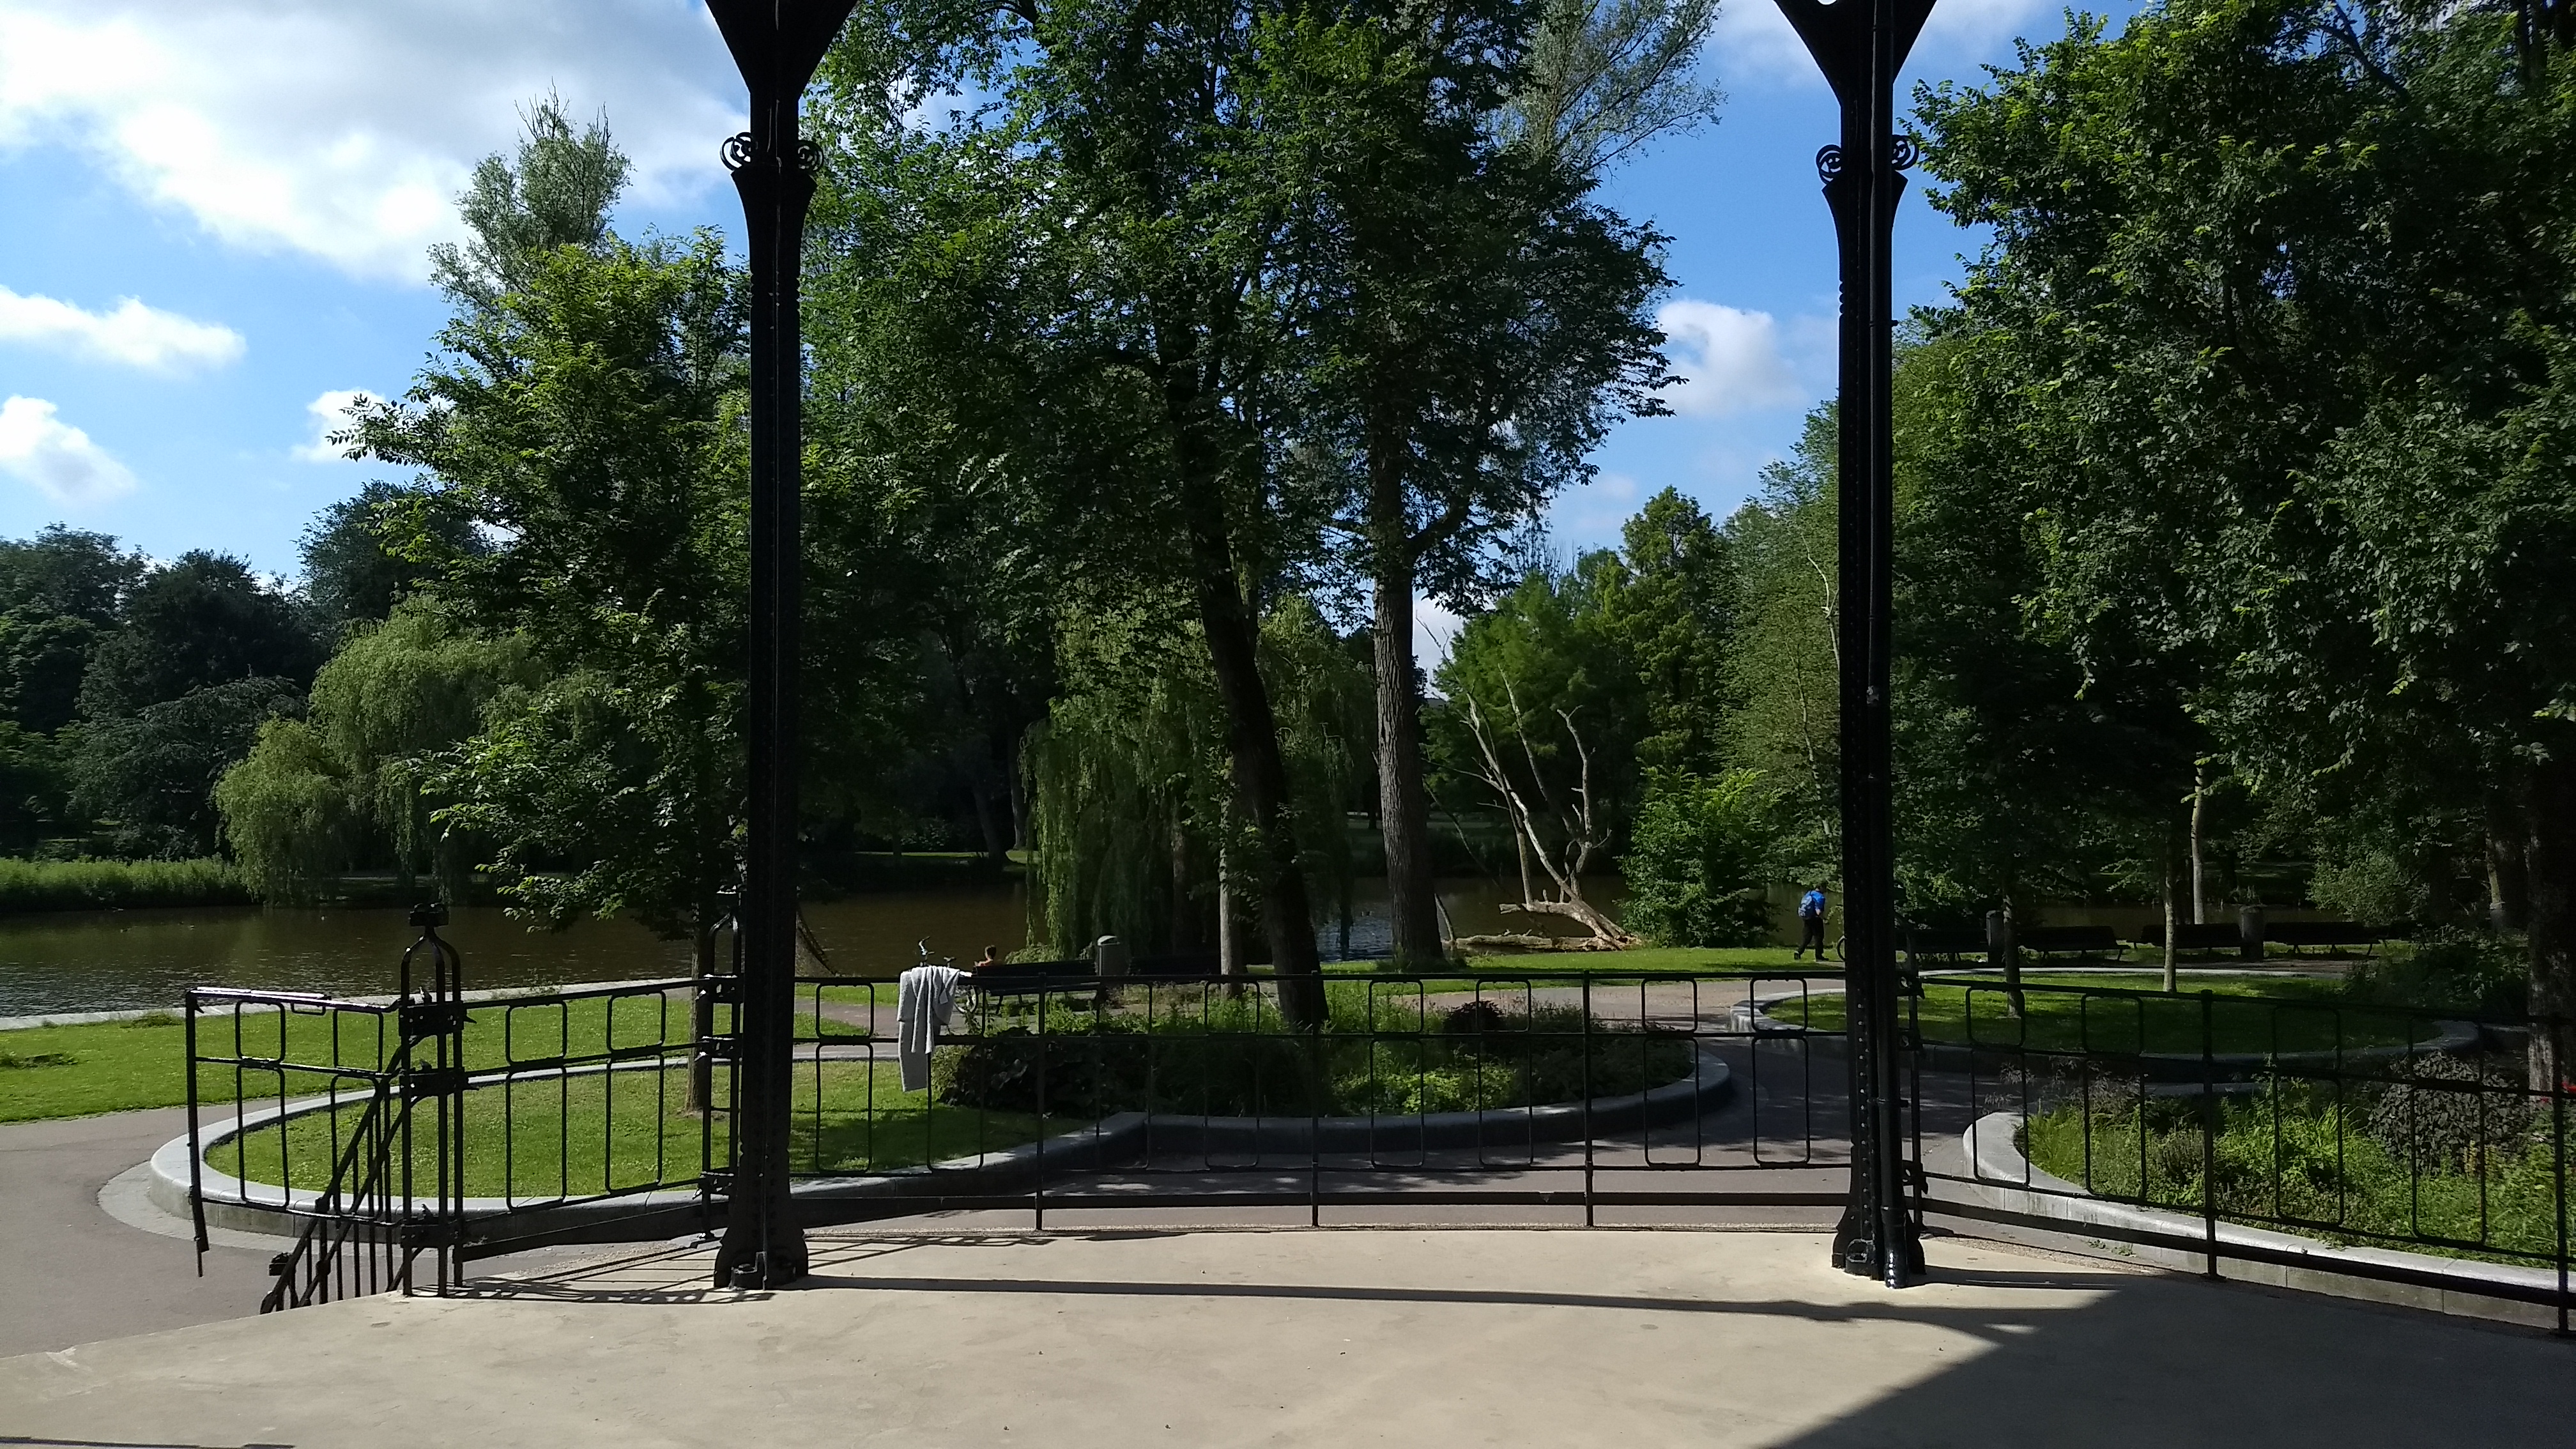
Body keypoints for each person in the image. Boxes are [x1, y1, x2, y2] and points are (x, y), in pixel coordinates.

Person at [1794, 885, 1828, 960]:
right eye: (1825, 887)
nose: (1826, 889)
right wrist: (1824, 919)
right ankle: (1819, 956)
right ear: (1821, 887)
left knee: (1807, 937)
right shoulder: (1820, 897)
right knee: (1819, 937)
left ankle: (1798, 952)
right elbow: (1818, 912)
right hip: (1815, 919)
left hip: (1807, 918)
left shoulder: (1809, 894)